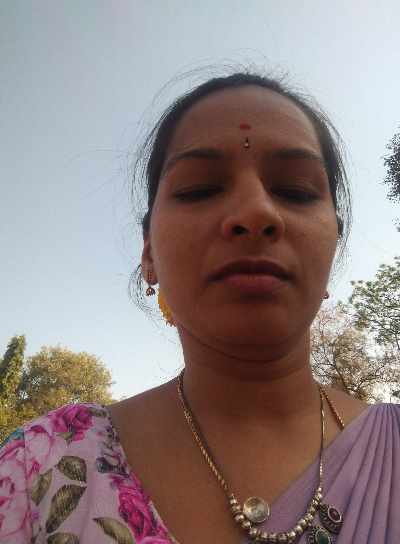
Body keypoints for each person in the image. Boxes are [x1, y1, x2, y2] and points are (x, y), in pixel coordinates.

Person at [0, 72, 399, 544]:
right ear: (149, 254)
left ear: (334, 243)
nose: (256, 212)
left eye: (295, 191)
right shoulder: (37, 471)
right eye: (199, 190)